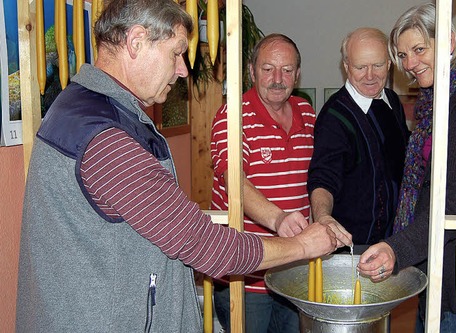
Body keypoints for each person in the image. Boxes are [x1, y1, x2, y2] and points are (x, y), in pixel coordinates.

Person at [15, 1, 351, 332]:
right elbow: (206, 246)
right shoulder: (104, 136)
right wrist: (305, 245)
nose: (182, 69)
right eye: (176, 53)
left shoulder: (90, 109)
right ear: (136, 42)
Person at [357, 3, 456, 333]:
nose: (410, 64)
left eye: (419, 49)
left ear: (449, 42)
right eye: (403, 55)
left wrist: (396, 248)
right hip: (442, 246)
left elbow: (453, 204)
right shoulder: (443, 94)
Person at [210, 33, 347, 333]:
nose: (277, 78)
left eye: (286, 70)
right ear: (251, 70)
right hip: (244, 276)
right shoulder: (231, 116)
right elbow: (236, 183)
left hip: (294, 271)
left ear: (298, 74)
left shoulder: (308, 114)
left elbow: (323, 175)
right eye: (267, 68)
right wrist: (278, 218)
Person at [307, 27, 410, 251]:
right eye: (360, 67)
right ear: (346, 67)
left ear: (390, 63)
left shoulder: (392, 101)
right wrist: (323, 216)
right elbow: (323, 177)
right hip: (352, 248)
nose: (370, 75)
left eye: (378, 65)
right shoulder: (334, 116)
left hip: (394, 242)